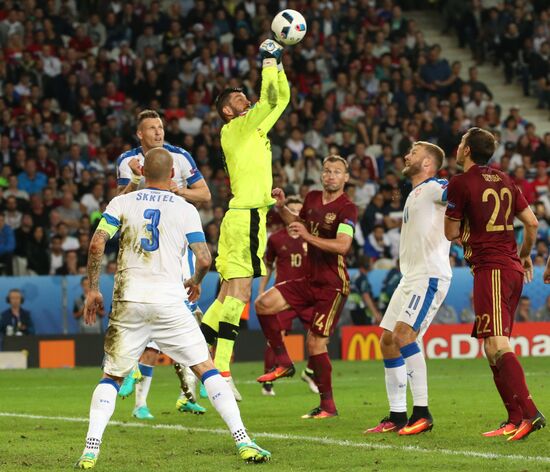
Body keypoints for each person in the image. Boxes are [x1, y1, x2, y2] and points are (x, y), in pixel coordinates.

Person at [74, 147, 270, 469]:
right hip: (169, 302)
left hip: (129, 301)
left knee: (111, 376)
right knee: (206, 369)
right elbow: (205, 257)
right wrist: (195, 279)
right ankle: (243, 440)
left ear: (143, 172)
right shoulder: (185, 208)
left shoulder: (121, 202)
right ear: (171, 175)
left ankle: (91, 449)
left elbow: (97, 243)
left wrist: (94, 289)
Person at [199, 39, 290, 395]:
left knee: (225, 297)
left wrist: (278, 67)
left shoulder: (253, 130)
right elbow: (269, 99)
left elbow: (279, 100)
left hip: (246, 217)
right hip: (246, 218)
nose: (245, 100)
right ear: (227, 112)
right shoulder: (235, 128)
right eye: (238, 99)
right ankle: (219, 370)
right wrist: (269, 61)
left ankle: (196, 361)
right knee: (239, 292)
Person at [444, 127, 544, 441]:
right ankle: (514, 418)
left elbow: (449, 233)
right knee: (490, 347)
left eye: (461, 143)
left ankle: (531, 413)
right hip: (509, 268)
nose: (458, 147)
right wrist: (525, 255)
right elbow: (532, 222)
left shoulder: (460, 183)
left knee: (498, 343)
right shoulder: (505, 179)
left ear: (468, 150)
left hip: (493, 269)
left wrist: (467, 235)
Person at [115, 108, 211, 419]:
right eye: (152, 128)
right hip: (140, 251)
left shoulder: (180, 157)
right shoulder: (126, 161)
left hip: (173, 245)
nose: (159, 132)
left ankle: (177, 392)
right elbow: (118, 200)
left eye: (161, 127)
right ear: (139, 134)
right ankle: (194, 382)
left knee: (183, 316)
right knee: (177, 315)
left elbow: (205, 194)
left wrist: (177, 189)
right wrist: (135, 179)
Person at [255, 155, 358, 419]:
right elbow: (297, 224)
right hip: (308, 280)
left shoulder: (348, 208)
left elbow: (343, 246)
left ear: (345, 178)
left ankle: (328, 406)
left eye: (337, 172)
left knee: (315, 344)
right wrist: (281, 208)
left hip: (333, 284)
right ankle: (283, 362)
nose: (331, 175)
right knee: (263, 304)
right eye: (327, 171)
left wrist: (309, 237)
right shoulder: (311, 197)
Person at [365, 142, 451, 436]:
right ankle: (397, 415)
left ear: (428, 162)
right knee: (388, 340)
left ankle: (423, 413)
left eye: (413, 153)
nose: (406, 156)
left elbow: (456, 194)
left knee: (404, 336)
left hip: (429, 275)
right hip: (409, 277)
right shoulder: (414, 192)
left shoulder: (436, 186)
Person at [257, 195, 317, 397]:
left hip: (307, 294)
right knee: (276, 338)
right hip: (283, 295)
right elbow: (269, 265)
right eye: (292, 211)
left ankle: (309, 372)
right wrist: (261, 290)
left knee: (321, 333)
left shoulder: (311, 236)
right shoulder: (275, 238)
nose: (296, 215)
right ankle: (268, 380)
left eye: (300, 211)